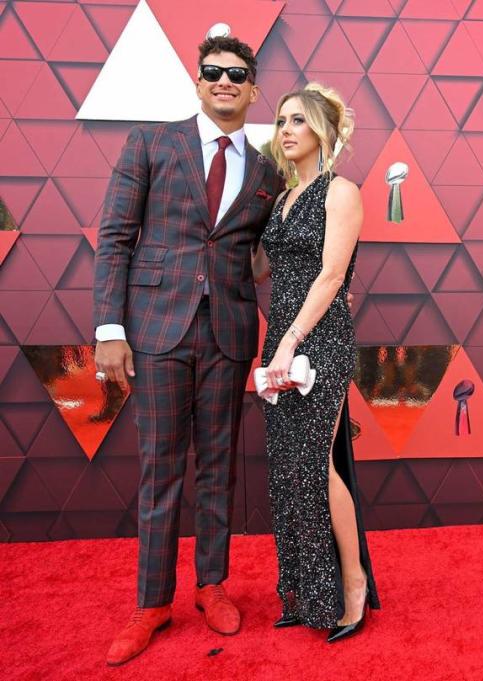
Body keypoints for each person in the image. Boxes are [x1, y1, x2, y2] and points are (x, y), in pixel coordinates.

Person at [94, 36, 284, 666]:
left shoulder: (264, 170)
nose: (224, 82)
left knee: (218, 466)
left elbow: (264, 262)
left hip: (229, 334)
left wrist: (287, 335)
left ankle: (212, 584)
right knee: (160, 467)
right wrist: (110, 330)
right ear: (198, 82)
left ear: (253, 88)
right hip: (156, 328)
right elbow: (116, 238)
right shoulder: (151, 143)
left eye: (238, 74)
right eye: (213, 73)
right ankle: (152, 601)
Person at [255, 83, 380, 641]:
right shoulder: (281, 201)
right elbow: (263, 270)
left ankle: (352, 585)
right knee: (287, 473)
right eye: (281, 120)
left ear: (324, 131)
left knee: (313, 466)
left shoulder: (341, 192)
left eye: (298, 121)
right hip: (280, 341)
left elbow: (331, 276)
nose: (286, 130)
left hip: (318, 341)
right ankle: (307, 592)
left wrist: (291, 340)